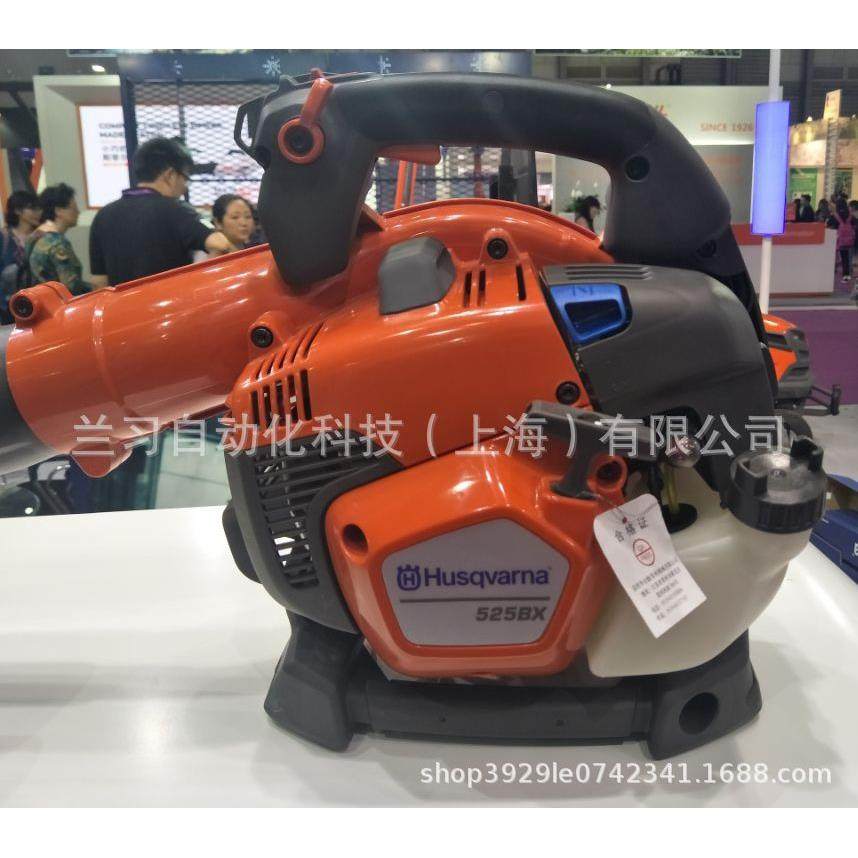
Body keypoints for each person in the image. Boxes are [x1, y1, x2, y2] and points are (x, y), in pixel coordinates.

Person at [89, 137, 233, 287]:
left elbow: (99, 282)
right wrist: (199, 283)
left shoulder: (103, 215)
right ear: (170, 175)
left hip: (124, 302)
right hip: (172, 300)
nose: (185, 186)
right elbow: (220, 244)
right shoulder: (177, 210)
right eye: (185, 178)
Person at [26, 183, 91, 296]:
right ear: (58, 211)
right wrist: (96, 288)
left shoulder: (34, 237)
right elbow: (71, 287)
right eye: (74, 207)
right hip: (57, 303)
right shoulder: (57, 243)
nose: (78, 212)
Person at [1, 190, 41, 320]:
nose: (38, 213)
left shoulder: (41, 237)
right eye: (32, 208)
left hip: (38, 304)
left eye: (38, 208)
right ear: (18, 211)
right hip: (8, 309)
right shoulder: (4, 237)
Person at [827, 200, 855, 282]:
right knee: (846, 258)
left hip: (838, 240)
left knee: (837, 257)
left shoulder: (836, 215)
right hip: (849, 240)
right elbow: (854, 224)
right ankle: (847, 275)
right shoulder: (850, 215)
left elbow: (830, 225)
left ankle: (835, 272)